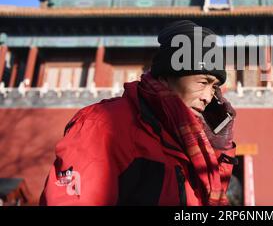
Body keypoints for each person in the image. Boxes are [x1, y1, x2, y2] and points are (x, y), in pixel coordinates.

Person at [40, 20, 237, 206]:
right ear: (167, 77)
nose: (208, 97)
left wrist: (219, 149)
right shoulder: (104, 125)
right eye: (203, 82)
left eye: (214, 87)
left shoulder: (188, 140)